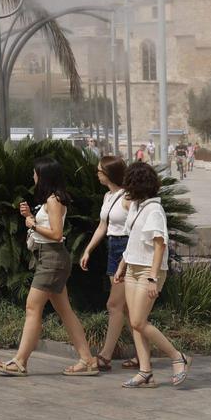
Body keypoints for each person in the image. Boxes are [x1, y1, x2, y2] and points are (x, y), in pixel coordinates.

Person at [0, 156, 99, 377]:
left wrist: (32, 224)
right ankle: (87, 360)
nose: (33, 176)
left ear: (43, 176)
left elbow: (57, 234)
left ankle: (20, 361)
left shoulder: (53, 200)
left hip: (52, 260)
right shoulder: (52, 199)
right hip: (48, 258)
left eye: (35, 173)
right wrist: (30, 217)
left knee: (33, 308)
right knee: (65, 311)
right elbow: (49, 228)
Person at [115, 162, 191, 388]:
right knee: (135, 322)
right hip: (132, 268)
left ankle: (178, 357)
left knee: (138, 321)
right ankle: (145, 372)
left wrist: (152, 278)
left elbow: (160, 245)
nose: (125, 187)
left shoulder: (154, 210)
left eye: (129, 182)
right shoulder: (138, 206)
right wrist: (122, 265)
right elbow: (134, 240)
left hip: (149, 270)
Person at [80, 155, 133, 371]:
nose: (97, 174)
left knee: (114, 304)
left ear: (109, 173)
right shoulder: (108, 197)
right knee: (126, 308)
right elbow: (103, 226)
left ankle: (106, 355)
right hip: (112, 247)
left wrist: (127, 256)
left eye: (100, 171)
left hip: (125, 248)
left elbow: (136, 226)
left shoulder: (127, 197)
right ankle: (142, 352)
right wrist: (88, 249)